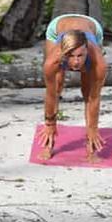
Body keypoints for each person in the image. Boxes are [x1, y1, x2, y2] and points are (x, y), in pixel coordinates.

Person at [39, 13, 108, 161]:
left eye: (80, 56)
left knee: (87, 91)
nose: (76, 62)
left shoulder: (99, 63)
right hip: (58, 25)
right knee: (57, 86)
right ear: (63, 54)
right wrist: (49, 124)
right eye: (71, 56)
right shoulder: (52, 62)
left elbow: (94, 98)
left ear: (86, 51)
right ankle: (48, 144)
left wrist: (93, 129)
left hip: (92, 26)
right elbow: (51, 95)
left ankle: (91, 146)